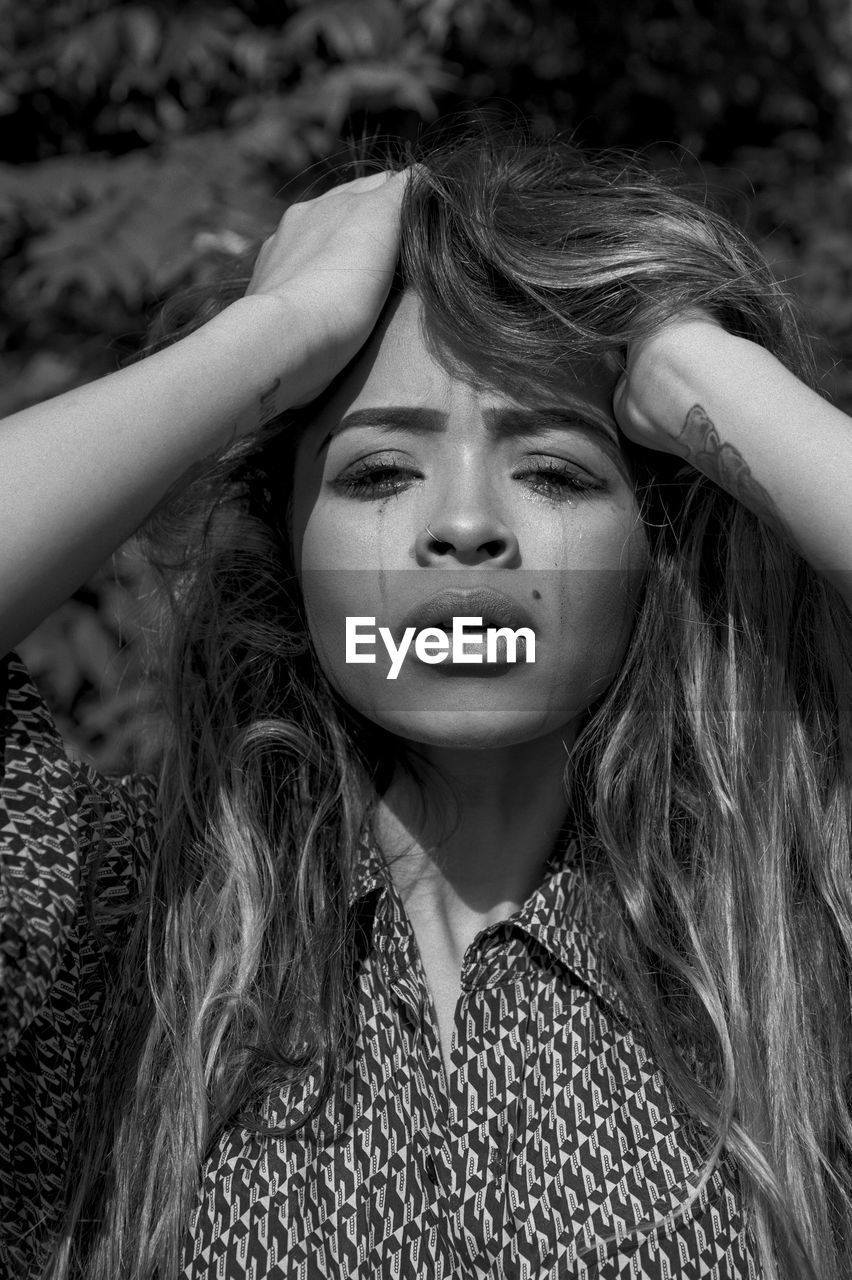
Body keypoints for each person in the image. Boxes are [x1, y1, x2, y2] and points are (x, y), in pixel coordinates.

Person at [1, 131, 850, 1280]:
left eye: (554, 470)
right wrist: (272, 333)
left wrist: (698, 368)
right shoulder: (120, 940)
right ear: (291, 551)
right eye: (376, 472)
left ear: (660, 550)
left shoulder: (799, 940)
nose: (462, 526)